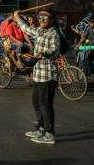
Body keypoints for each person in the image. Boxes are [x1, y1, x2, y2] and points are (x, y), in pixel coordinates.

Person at [14, 10, 60, 145]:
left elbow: (55, 50)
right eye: (40, 17)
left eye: (45, 17)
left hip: (48, 75)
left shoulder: (54, 33)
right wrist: (17, 17)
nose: (42, 19)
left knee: (46, 105)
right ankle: (41, 129)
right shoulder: (40, 30)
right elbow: (26, 28)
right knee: (36, 102)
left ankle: (49, 133)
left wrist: (43, 53)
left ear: (51, 20)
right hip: (37, 74)